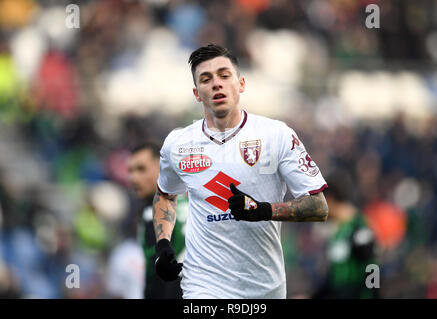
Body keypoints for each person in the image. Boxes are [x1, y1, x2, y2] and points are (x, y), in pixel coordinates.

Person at [153, 44, 329, 299]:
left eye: (224, 75)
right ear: (196, 93)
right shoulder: (178, 144)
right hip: (203, 284)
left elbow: (319, 207)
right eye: (206, 79)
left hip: (265, 286)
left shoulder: (276, 135)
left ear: (241, 83)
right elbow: (165, 195)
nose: (216, 84)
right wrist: (163, 245)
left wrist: (262, 210)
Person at [128, 141, 186, 299]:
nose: (134, 178)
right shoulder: (185, 203)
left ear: (161, 167)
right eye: (130, 171)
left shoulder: (154, 213)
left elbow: (158, 273)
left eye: (141, 169)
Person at [312, 171, 378, 299]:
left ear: (329, 199)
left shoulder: (359, 228)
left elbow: (372, 268)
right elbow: (333, 279)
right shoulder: (339, 232)